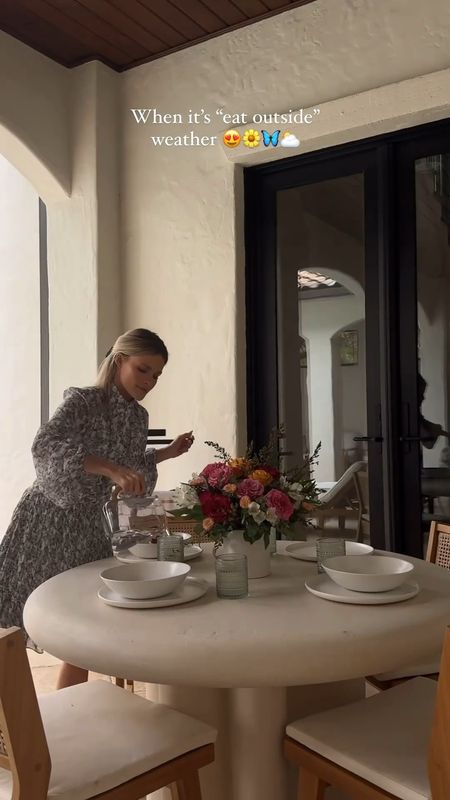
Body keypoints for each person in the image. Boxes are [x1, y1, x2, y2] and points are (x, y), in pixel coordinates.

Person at [0, 328, 193, 688]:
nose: (150, 381)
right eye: (143, 369)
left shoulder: (138, 418)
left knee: (84, 627)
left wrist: (169, 452)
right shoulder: (83, 401)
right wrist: (109, 468)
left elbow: (132, 465)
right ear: (120, 361)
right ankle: (14, 726)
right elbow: (46, 445)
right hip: (47, 521)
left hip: (92, 528)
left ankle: (70, 709)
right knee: (18, 623)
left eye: (157, 375)